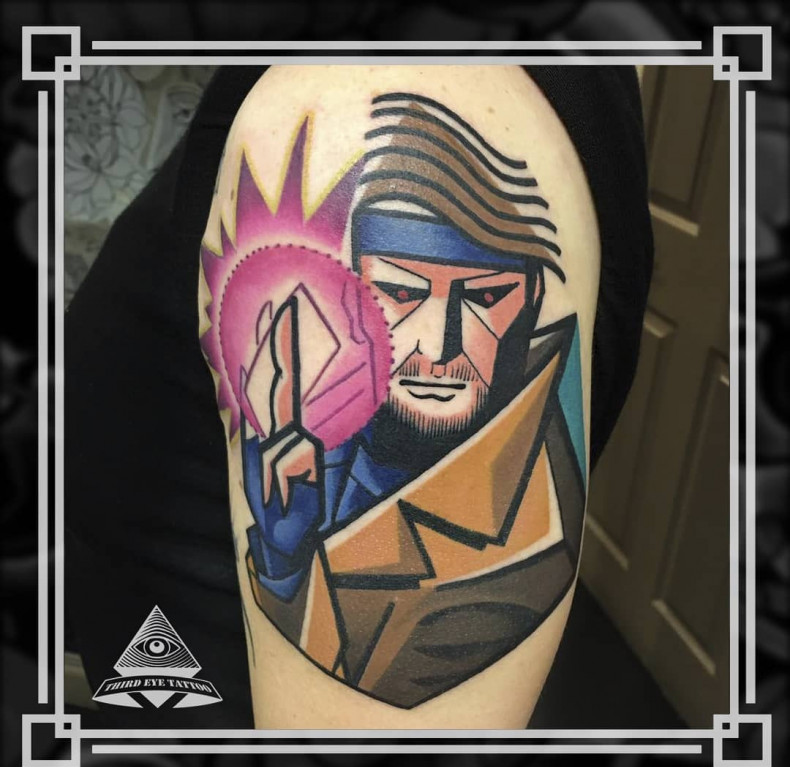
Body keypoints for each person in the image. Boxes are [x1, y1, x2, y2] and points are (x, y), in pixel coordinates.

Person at [66, 65, 652, 728]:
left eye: (486, 297)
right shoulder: (341, 418)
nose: (440, 346)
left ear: (533, 301)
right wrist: (287, 560)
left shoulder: (380, 91)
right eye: (401, 292)